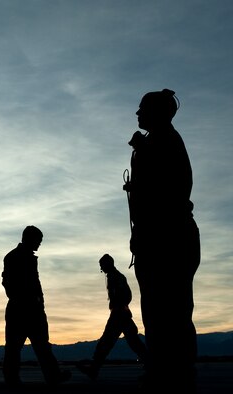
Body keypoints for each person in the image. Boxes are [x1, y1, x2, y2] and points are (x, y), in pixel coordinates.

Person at [123, 89, 201, 391]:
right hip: (163, 236)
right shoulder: (159, 143)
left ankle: (172, 371)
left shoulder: (161, 142)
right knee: (165, 309)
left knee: (167, 310)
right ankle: (170, 368)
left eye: (142, 108)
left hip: (166, 239)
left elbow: (165, 194)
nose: (137, 114)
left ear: (157, 112)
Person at [1, 225, 71, 387]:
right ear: (29, 239)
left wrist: (40, 304)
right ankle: (12, 379)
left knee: (42, 346)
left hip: (34, 309)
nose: (39, 244)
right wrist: (23, 299)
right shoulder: (13, 257)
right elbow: (8, 283)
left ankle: (53, 377)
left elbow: (35, 285)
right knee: (14, 347)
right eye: (38, 241)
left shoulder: (28, 258)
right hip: (20, 309)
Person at [76, 254, 146, 380]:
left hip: (118, 315)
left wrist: (118, 305)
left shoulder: (115, 277)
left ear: (107, 264)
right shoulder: (116, 276)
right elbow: (128, 295)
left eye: (102, 265)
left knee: (106, 342)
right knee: (133, 342)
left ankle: (94, 369)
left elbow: (125, 295)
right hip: (121, 313)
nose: (101, 268)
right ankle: (151, 365)